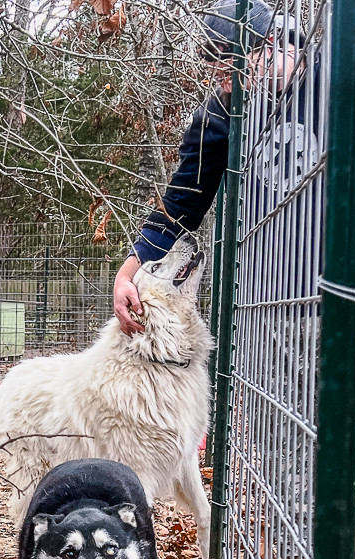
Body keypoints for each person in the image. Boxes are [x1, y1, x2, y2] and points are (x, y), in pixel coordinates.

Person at [113, 0, 307, 336]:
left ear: (271, 43)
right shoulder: (220, 113)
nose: (225, 85)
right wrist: (127, 274)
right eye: (216, 73)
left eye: (231, 69)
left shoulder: (337, 73)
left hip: (344, 283)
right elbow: (179, 206)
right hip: (271, 297)